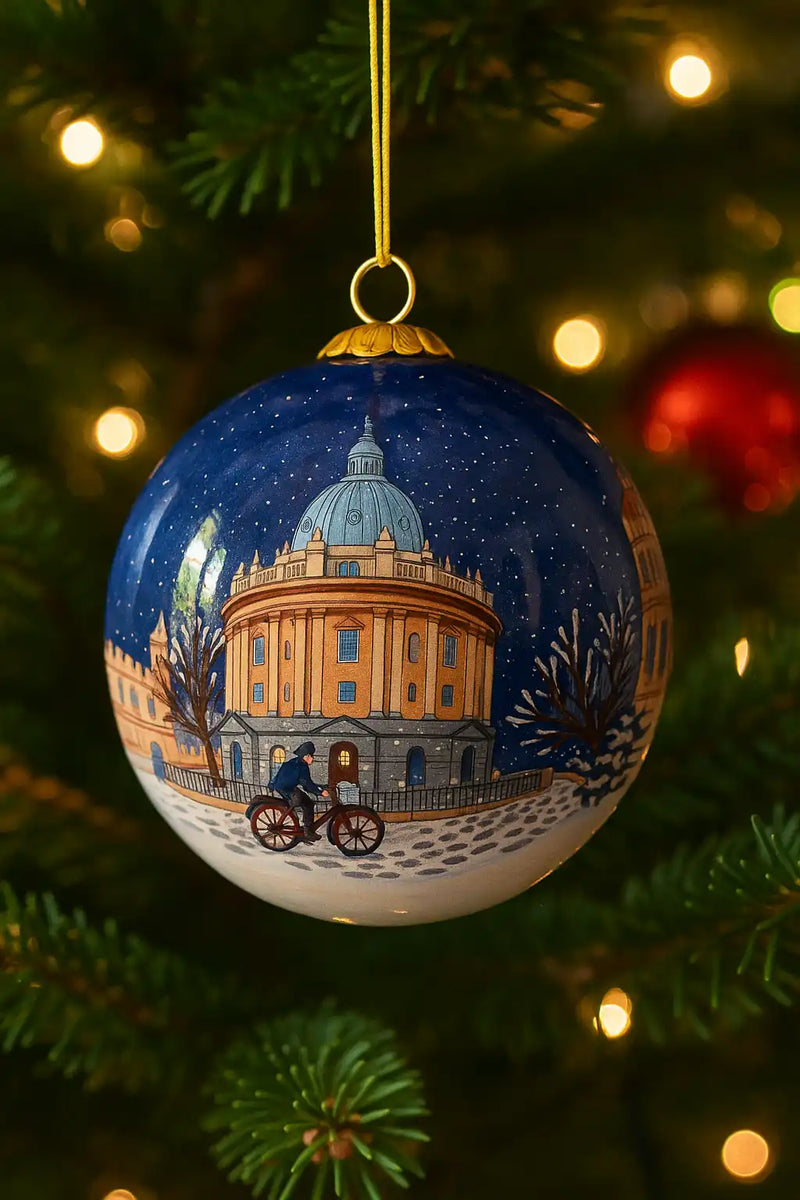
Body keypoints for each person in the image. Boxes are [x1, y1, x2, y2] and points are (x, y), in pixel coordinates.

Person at [269, 741, 329, 842]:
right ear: (306, 756)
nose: (312, 759)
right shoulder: (302, 767)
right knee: (308, 804)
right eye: (311, 756)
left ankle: (306, 826)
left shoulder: (293, 762)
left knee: (304, 799)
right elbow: (307, 785)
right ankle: (307, 831)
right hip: (287, 789)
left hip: (283, 787)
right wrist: (320, 792)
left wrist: (321, 787)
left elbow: (306, 783)